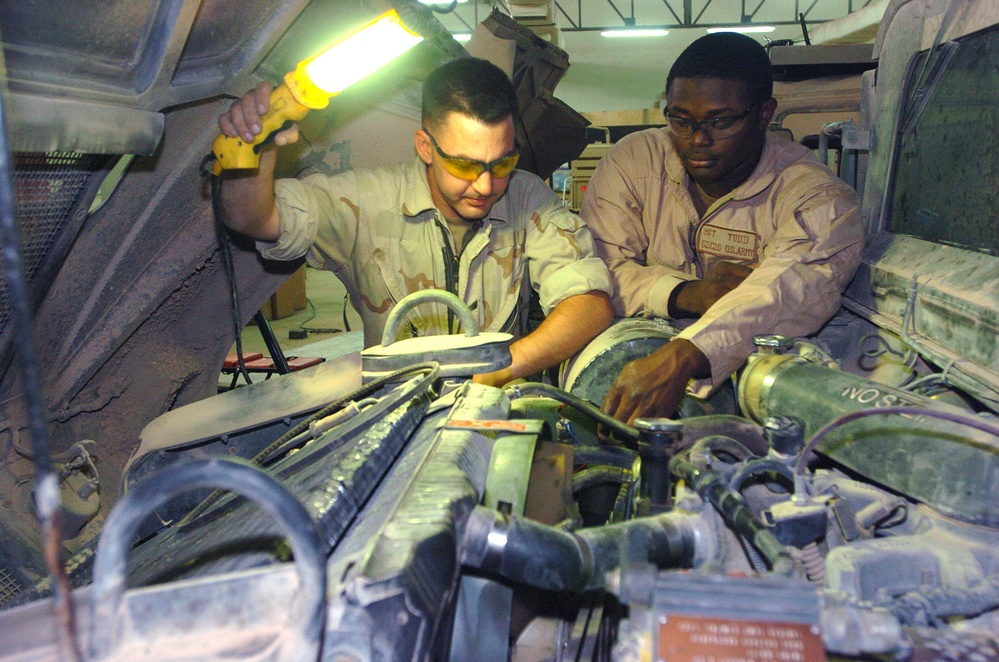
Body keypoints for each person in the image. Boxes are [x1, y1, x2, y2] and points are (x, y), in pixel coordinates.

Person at [217, 56, 614, 386]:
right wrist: (257, 149)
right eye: (464, 164)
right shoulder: (365, 202)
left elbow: (589, 305)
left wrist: (497, 370)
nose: (485, 184)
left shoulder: (527, 199)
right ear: (425, 146)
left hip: (500, 415)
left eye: (502, 163)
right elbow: (254, 218)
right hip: (393, 418)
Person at [580, 33, 864, 424]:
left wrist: (686, 353)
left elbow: (785, 290)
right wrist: (685, 294)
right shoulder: (633, 161)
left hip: (743, 388)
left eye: (721, 121)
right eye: (681, 120)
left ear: (765, 114)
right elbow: (596, 271)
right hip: (628, 355)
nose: (698, 139)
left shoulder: (817, 198)